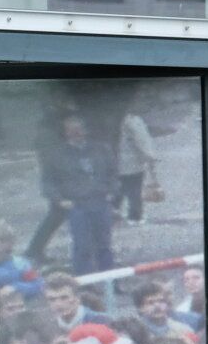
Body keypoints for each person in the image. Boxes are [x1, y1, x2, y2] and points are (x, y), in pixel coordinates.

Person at [41, 116, 118, 273]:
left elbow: (113, 173)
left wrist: (112, 191)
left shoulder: (101, 149)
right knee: (82, 246)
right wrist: (60, 200)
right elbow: (48, 182)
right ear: (66, 133)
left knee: (104, 245)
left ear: (85, 130)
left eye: (79, 129)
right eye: (71, 131)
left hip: (100, 202)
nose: (76, 134)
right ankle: (84, 284)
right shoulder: (57, 155)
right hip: (77, 205)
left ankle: (111, 283)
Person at [115, 110, 156, 225]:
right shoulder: (132, 120)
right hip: (131, 162)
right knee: (134, 190)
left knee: (118, 188)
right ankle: (135, 216)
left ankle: (113, 211)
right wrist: (149, 156)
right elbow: (142, 140)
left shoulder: (110, 120)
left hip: (113, 162)